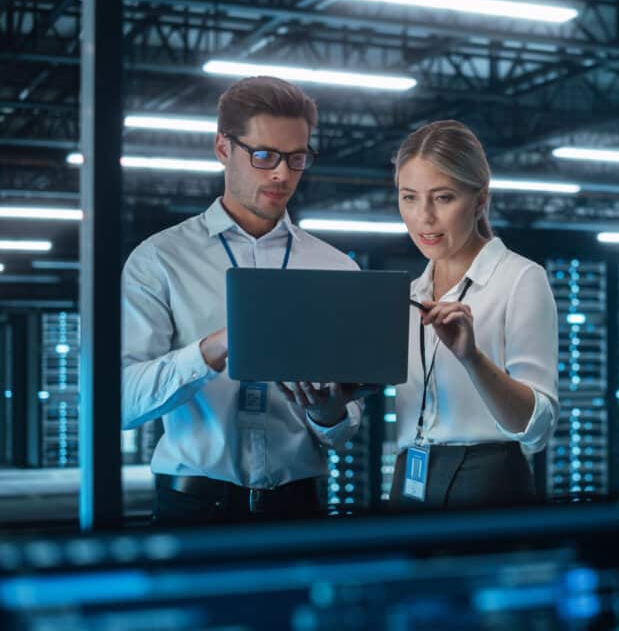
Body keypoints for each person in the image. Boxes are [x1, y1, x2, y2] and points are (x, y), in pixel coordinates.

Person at [122, 76, 366, 524]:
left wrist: (328, 413)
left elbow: (344, 426)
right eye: (264, 155)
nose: (281, 174)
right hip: (194, 511)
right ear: (222, 149)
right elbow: (121, 403)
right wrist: (213, 348)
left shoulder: (336, 269)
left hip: (298, 511)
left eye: (297, 158)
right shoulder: (160, 259)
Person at [390, 120, 559, 509]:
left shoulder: (520, 279)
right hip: (409, 478)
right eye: (409, 197)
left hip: (488, 480)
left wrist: (473, 358)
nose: (423, 217)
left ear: (480, 200)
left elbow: (536, 428)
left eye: (443, 197)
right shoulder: (411, 292)